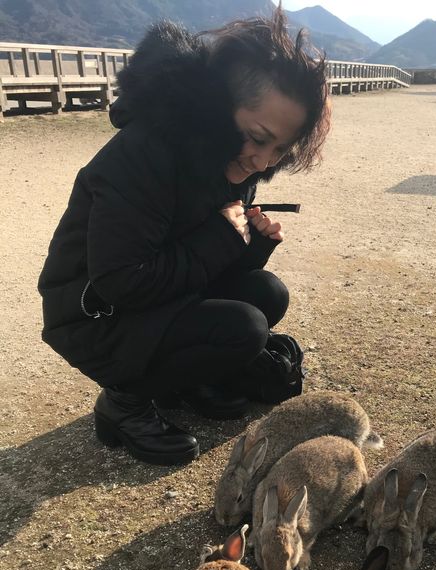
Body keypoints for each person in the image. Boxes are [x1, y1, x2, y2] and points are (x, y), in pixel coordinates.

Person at [38, 8, 330, 466]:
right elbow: (122, 281)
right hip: (93, 313)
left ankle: (186, 380)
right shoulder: (145, 152)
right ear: (216, 106)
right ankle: (123, 403)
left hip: (154, 299)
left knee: (266, 294)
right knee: (245, 329)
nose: (262, 161)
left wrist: (251, 244)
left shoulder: (225, 154)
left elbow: (204, 264)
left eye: (279, 150)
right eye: (258, 137)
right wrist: (220, 237)